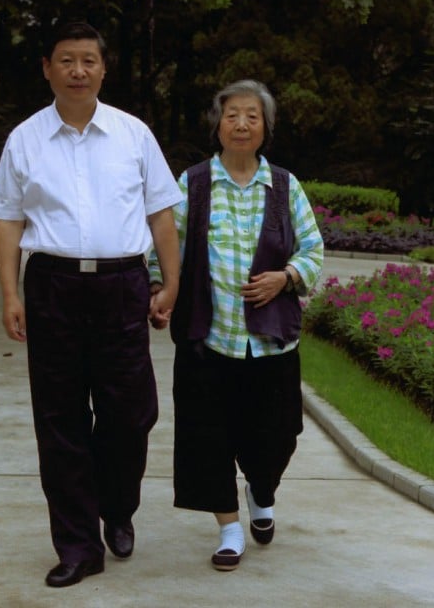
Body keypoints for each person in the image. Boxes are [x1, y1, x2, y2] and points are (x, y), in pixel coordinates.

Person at [0, 21, 182, 588]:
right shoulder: (24, 139)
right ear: (47, 67)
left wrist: (170, 283)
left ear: (103, 68)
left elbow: (161, 214)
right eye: (66, 60)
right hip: (52, 288)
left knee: (132, 412)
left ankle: (116, 507)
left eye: (88, 60)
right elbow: (8, 220)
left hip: (122, 287)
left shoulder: (133, 134)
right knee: (60, 420)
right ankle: (77, 546)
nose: (78, 70)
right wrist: (9, 292)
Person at [150, 79, 324, 571]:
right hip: (208, 338)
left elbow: (312, 249)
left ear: (265, 127)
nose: (242, 124)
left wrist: (286, 277)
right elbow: (165, 246)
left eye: (252, 115)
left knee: (279, 434)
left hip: (271, 344)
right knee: (207, 437)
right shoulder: (193, 183)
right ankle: (229, 528)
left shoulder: (286, 185)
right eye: (232, 115)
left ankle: (261, 490)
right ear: (218, 125)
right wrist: (160, 289)